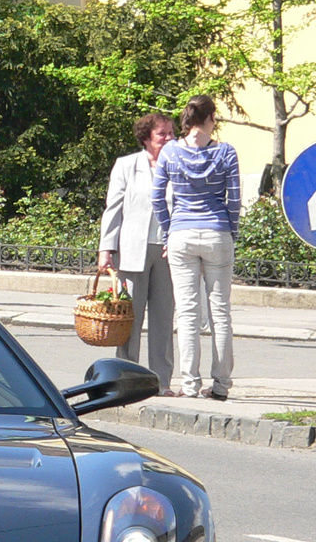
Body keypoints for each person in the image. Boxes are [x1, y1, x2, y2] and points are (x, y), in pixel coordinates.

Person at [152, 94, 240, 400]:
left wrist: (168, 230)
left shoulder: (170, 153)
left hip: (181, 235)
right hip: (217, 232)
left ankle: (189, 384)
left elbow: (157, 198)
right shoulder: (226, 153)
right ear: (210, 119)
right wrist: (232, 232)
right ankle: (220, 385)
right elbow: (235, 200)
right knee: (220, 312)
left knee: (187, 312)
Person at [97, 112, 176, 395]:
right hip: (132, 249)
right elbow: (113, 209)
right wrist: (106, 249)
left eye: (171, 133)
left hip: (167, 250)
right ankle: (127, 378)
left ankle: (162, 380)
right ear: (146, 138)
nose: (169, 139)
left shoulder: (178, 164)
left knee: (163, 319)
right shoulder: (127, 165)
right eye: (162, 134)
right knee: (129, 318)